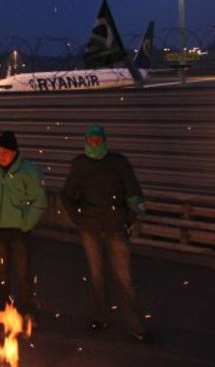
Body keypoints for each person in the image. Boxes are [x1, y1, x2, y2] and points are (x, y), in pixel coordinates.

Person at [61, 125, 156, 344]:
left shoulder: (118, 163)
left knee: (125, 279)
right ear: (86, 141)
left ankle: (137, 327)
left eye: (98, 140)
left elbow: (134, 193)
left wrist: (128, 219)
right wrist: (79, 219)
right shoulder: (80, 164)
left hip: (115, 227)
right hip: (90, 228)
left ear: (104, 141)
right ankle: (102, 317)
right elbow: (67, 196)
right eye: (91, 141)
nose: (94, 144)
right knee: (97, 276)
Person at [0, 131, 47, 321]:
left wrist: (26, 224)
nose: (2, 155)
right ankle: (1, 307)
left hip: (18, 231)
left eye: (7, 152)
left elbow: (39, 200)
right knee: (0, 271)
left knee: (24, 272)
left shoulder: (27, 170)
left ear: (15, 153)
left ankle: (27, 311)